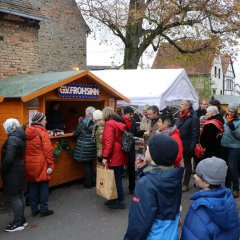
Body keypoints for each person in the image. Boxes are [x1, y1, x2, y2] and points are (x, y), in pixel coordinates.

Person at [124, 134, 184, 240]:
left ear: (154, 154)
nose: (145, 151)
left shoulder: (145, 183)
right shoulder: (174, 175)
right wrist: (145, 169)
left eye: (147, 149)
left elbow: (139, 222)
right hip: (170, 234)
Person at [181, 157, 240, 240]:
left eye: (198, 175)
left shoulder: (198, 209)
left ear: (207, 183)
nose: (194, 176)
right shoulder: (230, 203)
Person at [25, 112, 55, 217]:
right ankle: (44, 209)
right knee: (43, 186)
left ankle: (34, 210)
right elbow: (48, 151)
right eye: (44, 119)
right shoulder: (43, 133)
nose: (46, 121)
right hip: (41, 163)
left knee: (32, 186)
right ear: (40, 121)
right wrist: (51, 165)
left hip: (29, 163)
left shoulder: (26, 131)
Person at [1, 119, 27, 232]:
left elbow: (9, 159)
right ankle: (21, 220)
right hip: (20, 169)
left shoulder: (12, 139)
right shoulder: (20, 136)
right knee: (20, 195)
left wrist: (2, 169)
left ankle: (18, 223)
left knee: (15, 197)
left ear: (9, 127)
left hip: (13, 172)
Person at [101, 107, 128, 209]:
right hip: (119, 153)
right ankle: (113, 199)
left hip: (114, 155)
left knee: (116, 179)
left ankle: (120, 201)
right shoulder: (117, 122)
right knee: (116, 178)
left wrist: (105, 157)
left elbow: (109, 142)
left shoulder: (109, 124)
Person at [176, 100, 200, 192]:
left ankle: (185, 184)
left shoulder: (194, 118)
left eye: (182, 104)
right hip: (178, 144)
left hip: (187, 145)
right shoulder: (180, 116)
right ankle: (176, 182)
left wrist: (192, 147)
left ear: (187, 106)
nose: (180, 105)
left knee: (187, 164)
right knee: (177, 163)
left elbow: (195, 134)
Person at [122, 106, 145, 194]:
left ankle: (132, 187)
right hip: (122, 147)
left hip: (131, 147)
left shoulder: (133, 121)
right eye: (130, 114)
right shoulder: (120, 121)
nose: (131, 115)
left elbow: (135, 132)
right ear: (125, 114)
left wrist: (142, 132)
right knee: (121, 168)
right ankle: (117, 188)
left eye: (132, 114)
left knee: (131, 167)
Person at [73, 106, 97, 189]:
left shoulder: (82, 122)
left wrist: (79, 123)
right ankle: (93, 182)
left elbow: (76, 133)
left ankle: (88, 183)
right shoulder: (96, 122)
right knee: (91, 164)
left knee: (86, 165)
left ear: (86, 113)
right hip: (93, 146)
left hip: (84, 147)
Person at [220, 103, 240, 198]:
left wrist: (233, 129)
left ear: (236, 112)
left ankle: (236, 189)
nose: (230, 113)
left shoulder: (239, 121)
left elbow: (239, 136)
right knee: (226, 167)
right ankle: (227, 187)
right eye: (229, 111)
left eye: (233, 111)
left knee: (232, 167)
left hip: (235, 147)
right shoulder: (224, 119)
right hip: (224, 146)